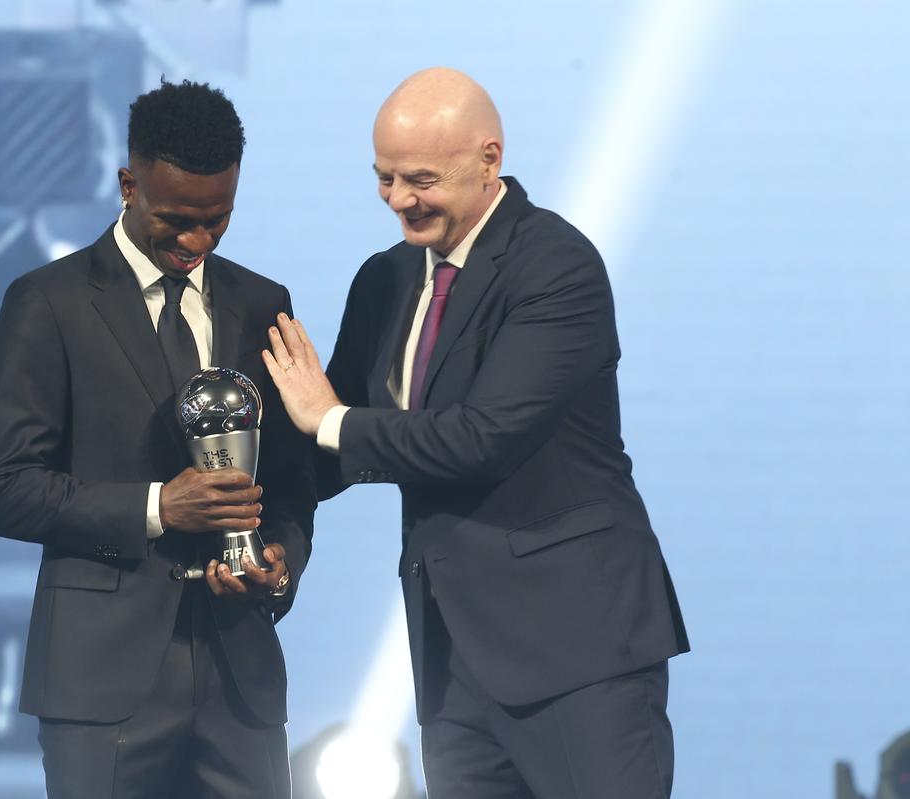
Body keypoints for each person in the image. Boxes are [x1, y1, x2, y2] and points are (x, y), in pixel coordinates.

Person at [263, 67, 688, 798]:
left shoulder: (556, 265)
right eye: (383, 177)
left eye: (418, 178)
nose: (398, 199)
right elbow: (333, 449)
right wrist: (236, 473)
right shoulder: (386, 279)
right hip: (451, 660)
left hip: (575, 648)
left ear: (489, 160)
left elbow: (480, 436)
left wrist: (328, 419)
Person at [0, 80, 314, 799]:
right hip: (101, 682)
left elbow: (289, 483)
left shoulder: (264, 303)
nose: (196, 241)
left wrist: (278, 564)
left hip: (240, 679)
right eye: (177, 219)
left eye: (216, 220)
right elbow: (5, 489)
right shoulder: (48, 303)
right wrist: (162, 506)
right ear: (129, 185)